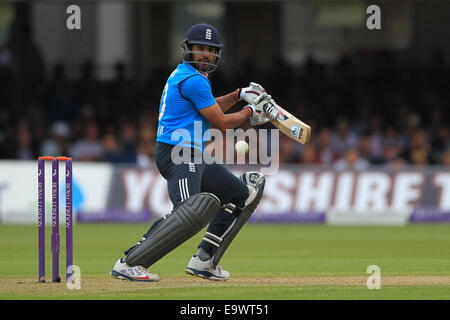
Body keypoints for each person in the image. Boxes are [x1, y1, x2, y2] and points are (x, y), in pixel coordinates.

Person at [110, 23, 270, 282]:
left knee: (241, 195)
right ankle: (130, 261)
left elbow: (210, 106)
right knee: (188, 211)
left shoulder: (195, 78)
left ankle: (204, 260)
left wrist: (241, 95)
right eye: (200, 48)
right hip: (178, 153)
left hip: (195, 154)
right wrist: (251, 112)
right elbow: (221, 122)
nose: (206, 54)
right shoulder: (193, 79)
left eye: (211, 49)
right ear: (189, 49)